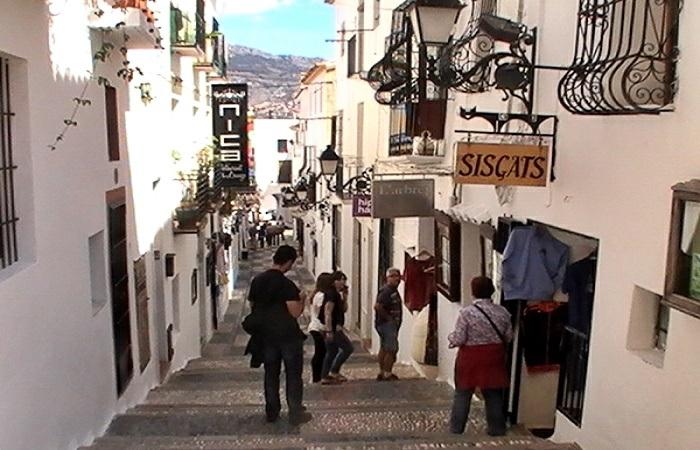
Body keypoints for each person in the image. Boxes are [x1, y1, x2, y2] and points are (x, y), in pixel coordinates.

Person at [246, 245, 312, 426]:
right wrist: (303, 298)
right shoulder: (286, 285)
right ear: (289, 262)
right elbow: (295, 313)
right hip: (288, 336)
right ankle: (295, 412)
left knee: (270, 373)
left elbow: (253, 305)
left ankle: (272, 411)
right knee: (293, 375)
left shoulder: (257, 280)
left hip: (266, 336)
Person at [448, 276, 513, 437]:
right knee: (493, 393)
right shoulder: (503, 312)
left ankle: (457, 428)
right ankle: (497, 429)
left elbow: (460, 338)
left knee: (463, 392)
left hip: (470, 358)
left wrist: (451, 338)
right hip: (494, 357)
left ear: (473, 292)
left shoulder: (466, 313)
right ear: (491, 290)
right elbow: (509, 336)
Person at [320, 271, 354, 384]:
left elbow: (344, 309)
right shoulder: (331, 294)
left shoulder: (336, 294)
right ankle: (333, 371)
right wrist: (329, 330)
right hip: (333, 328)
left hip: (334, 327)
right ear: (335, 281)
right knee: (348, 348)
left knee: (332, 351)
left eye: (344, 280)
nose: (343, 282)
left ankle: (325, 375)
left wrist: (345, 296)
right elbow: (327, 312)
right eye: (341, 280)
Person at [374, 268, 403, 381]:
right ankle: (387, 373)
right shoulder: (387, 291)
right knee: (392, 349)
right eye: (393, 276)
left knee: (384, 348)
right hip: (386, 325)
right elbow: (377, 306)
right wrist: (389, 319)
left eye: (398, 276)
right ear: (387, 278)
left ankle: (382, 372)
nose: (397, 278)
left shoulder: (392, 291)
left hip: (385, 324)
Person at [308, 273, 332, 383]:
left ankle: (318, 375)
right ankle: (317, 376)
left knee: (321, 352)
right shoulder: (321, 296)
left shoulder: (317, 294)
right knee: (320, 352)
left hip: (315, 326)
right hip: (318, 327)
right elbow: (324, 312)